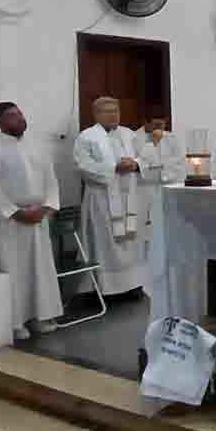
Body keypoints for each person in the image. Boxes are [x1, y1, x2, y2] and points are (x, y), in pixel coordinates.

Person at [0, 102, 63, 340]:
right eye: (12, 115)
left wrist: (48, 207)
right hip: (9, 222)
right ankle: (15, 323)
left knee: (41, 270)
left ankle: (41, 316)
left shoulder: (38, 146)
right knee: (13, 270)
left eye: (20, 113)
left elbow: (51, 180)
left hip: (38, 217)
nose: (19, 117)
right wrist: (16, 212)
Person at [74, 96, 147, 297]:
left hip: (129, 198)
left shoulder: (129, 134)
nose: (113, 115)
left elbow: (147, 156)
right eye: (107, 111)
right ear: (96, 114)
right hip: (101, 199)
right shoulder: (86, 137)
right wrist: (114, 168)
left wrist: (136, 164)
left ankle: (132, 284)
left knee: (131, 243)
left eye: (116, 111)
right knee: (103, 243)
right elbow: (83, 165)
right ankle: (102, 289)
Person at [133, 116, 186, 321]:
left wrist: (159, 168)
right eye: (155, 124)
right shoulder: (135, 138)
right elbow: (140, 167)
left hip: (166, 191)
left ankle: (165, 275)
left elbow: (178, 165)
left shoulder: (173, 139)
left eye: (162, 125)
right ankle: (143, 281)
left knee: (164, 236)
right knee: (145, 239)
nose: (159, 128)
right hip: (143, 194)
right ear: (147, 123)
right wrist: (154, 149)